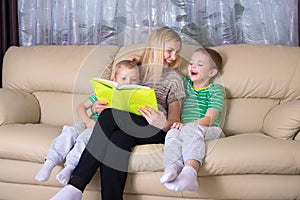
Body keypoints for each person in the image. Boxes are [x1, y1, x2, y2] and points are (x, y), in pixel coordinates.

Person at [50, 27, 186, 200]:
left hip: (154, 129)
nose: (174, 57)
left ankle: (76, 186)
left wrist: (162, 122)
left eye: (177, 52)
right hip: (125, 125)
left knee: (109, 116)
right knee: (117, 140)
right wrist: (99, 105)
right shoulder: (135, 70)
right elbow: (114, 90)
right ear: (156, 48)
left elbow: (175, 121)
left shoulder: (174, 78)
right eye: (169, 51)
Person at [35, 60, 141, 185]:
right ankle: (49, 162)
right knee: (70, 132)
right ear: (114, 79)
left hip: (99, 129)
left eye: (134, 80)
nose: (128, 83)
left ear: (139, 82)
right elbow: (81, 107)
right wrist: (86, 119)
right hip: (88, 121)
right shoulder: (102, 93)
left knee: (84, 139)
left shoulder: (135, 100)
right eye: (123, 78)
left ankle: (69, 168)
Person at [160, 47, 225, 192]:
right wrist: (139, 60)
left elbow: (209, 119)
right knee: (171, 134)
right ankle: (172, 167)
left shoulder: (215, 91)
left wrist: (185, 125)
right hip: (184, 129)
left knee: (189, 129)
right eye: (191, 63)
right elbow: (166, 73)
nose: (193, 66)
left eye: (200, 64)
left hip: (210, 130)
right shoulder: (184, 84)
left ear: (212, 72)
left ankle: (190, 172)